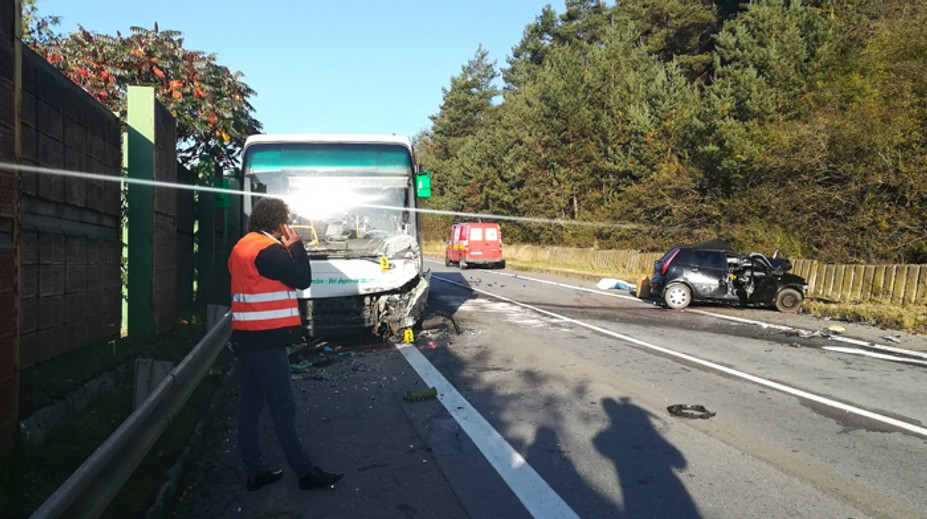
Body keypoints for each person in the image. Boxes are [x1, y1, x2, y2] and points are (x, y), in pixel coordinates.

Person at [228, 197, 343, 492]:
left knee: (251, 408)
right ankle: (305, 473)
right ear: (280, 222)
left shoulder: (243, 246)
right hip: (267, 342)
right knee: (283, 408)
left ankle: (255, 471)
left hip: (247, 338)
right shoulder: (269, 250)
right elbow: (303, 279)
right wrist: (296, 246)